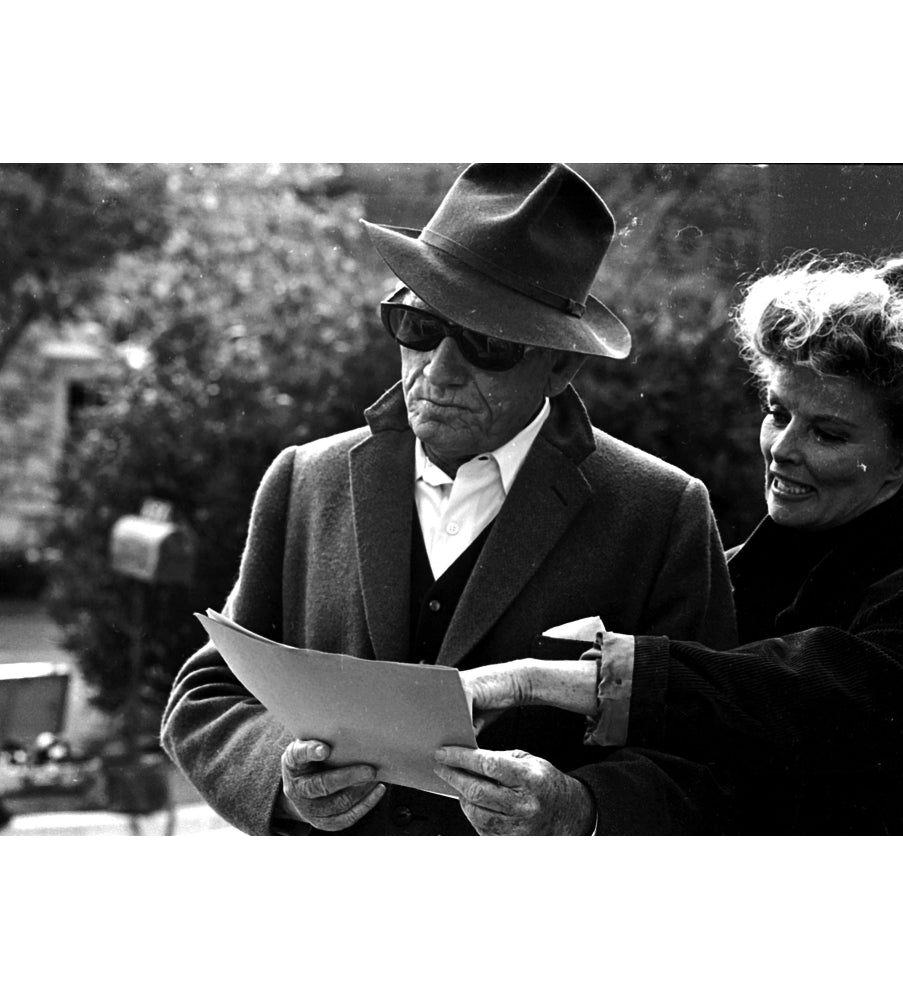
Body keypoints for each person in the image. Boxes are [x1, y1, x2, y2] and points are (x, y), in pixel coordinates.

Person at [160, 163, 737, 836]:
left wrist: (580, 810)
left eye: (486, 344)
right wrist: (282, 780)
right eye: (417, 324)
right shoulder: (304, 481)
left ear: (561, 365)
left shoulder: (661, 513)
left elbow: (709, 759)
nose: (437, 369)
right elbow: (205, 695)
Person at [439, 254, 903, 834]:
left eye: (827, 433)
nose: (782, 447)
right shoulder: (721, 572)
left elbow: (787, 696)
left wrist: (544, 678)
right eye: (777, 413)